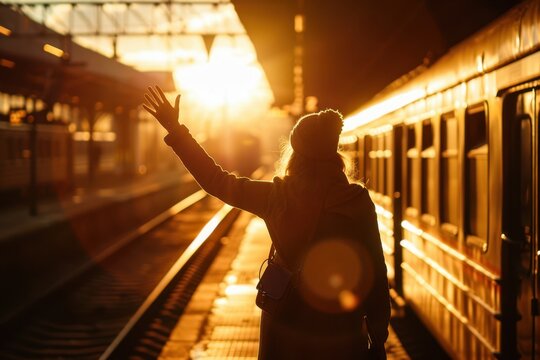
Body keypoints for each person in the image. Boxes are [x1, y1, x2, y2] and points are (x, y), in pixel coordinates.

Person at [143, 85, 390, 359]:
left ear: (297, 154)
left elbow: (216, 180)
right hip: (341, 330)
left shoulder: (277, 197)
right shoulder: (356, 200)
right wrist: (378, 337)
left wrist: (176, 131)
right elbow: (376, 274)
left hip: (286, 327)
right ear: (333, 154)